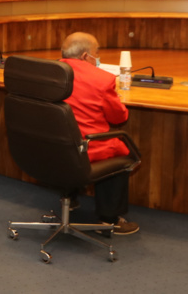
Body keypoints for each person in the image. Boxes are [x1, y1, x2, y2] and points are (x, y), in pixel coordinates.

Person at [59, 32, 138, 234]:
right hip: (86, 147)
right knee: (122, 152)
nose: (98, 57)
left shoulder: (48, 71)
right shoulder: (102, 79)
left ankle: (71, 196)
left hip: (54, 144)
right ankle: (109, 220)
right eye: (97, 52)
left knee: (67, 146)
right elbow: (118, 118)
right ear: (86, 56)